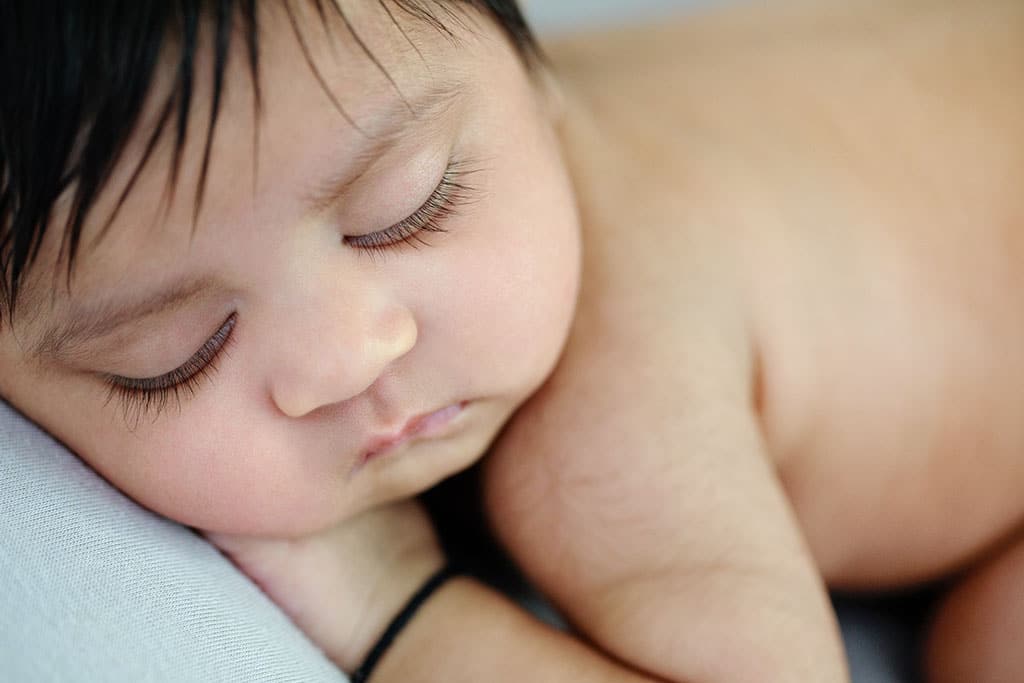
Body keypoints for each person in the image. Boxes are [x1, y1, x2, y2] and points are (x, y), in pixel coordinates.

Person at [1, 0, 1021, 680]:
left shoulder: (611, 416)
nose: (353, 355)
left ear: (536, 87)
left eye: (406, 209)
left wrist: (400, 610)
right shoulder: (406, 88)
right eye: (175, 352)